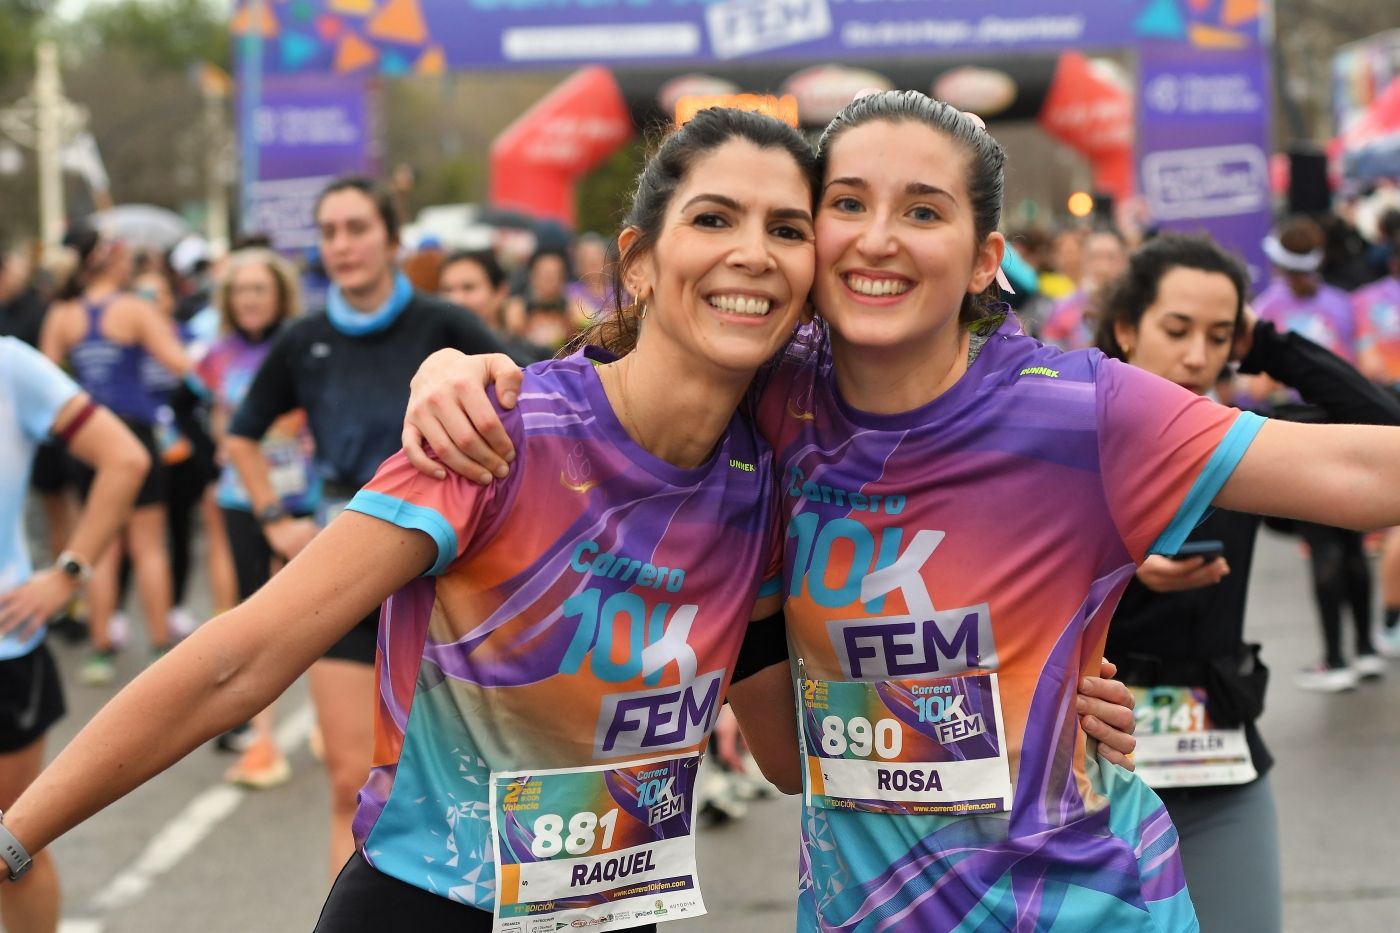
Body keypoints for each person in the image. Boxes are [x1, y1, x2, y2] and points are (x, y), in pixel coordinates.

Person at [0, 109, 1133, 933]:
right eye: (713, 218)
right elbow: (236, 661)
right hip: (427, 914)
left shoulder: (764, 482)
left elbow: (788, 757)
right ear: (638, 261)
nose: (752, 252)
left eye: (788, 229)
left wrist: (1028, 689)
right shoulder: (496, 436)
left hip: (614, 919)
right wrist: (15, 836)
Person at [399, 91, 1400, 930]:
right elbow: (613, 395)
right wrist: (452, 369)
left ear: (981, 258)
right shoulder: (769, 392)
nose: (877, 239)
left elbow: (1360, 476)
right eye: (847, 204)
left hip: (1084, 907)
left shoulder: (1081, 410)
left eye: (922, 212)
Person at [1096, 233, 1400, 932]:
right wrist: (1116, 561)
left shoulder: (1243, 444)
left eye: (1219, 335)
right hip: (1087, 771)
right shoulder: (1060, 432)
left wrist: (1268, 345)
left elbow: (1384, 435)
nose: (1198, 355)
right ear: (1125, 327)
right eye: (1176, 330)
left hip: (1218, 763)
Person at [222, 176, 509, 878]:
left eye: (357, 227)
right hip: (345, 568)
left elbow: (523, 415)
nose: (343, 244)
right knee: (351, 777)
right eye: (329, 232)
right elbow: (241, 437)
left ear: (391, 237)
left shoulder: (446, 327)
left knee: (466, 785)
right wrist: (275, 520)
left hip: (447, 574)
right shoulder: (305, 340)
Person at [0, 336, 149, 933]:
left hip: (6, 650)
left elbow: (125, 457)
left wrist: (69, 572)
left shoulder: (9, 364)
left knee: (12, 847)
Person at [39, 226, 193, 686]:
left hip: (87, 436)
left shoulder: (62, 313)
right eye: (124, 257)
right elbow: (181, 364)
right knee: (148, 547)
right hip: (133, 435)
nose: (130, 264)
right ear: (106, 260)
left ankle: (101, 650)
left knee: (100, 545)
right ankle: (161, 645)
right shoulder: (134, 309)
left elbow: (47, 381)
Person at [197, 247, 317, 789]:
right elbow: (205, 405)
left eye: (259, 289)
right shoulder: (217, 354)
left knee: (317, 616)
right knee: (255, 614)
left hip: (301, 499)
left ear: (278, 296)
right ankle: (263, 740)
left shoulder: (302, 346)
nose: (249, 299)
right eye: (240, 290)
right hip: (241, 497)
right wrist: (222, 442)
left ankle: (322, 719)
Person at [1255, 218, 1381, 689]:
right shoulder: (1346, 304)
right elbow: (1364, 368)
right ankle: (1366, 649)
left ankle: (1336, 659)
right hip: (1348, 427)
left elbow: (1257, 385)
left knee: (1324, 543)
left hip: (1299, 432)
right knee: (1350, 537)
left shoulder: (1266, 309)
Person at [1353, 224, 1400, 657]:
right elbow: (1366, 357)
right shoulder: (1367, 299)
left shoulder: (1364, 297)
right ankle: (1390, 619)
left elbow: (1367, 360)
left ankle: (1390, 620)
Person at [438, 250, 550, 365]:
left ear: (500, 292)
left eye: (469, 288)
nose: (456, 299)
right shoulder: (434, 357)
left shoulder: (533, 357)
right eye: (447, 290)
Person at [1040, 227, 1129, 350]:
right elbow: (1050, 355)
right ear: (1084, 261)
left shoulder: (1133, 309)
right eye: (1095, 257)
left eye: (1111, 257)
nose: (1103, 267)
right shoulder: (1062, 308)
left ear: (1124, 262)